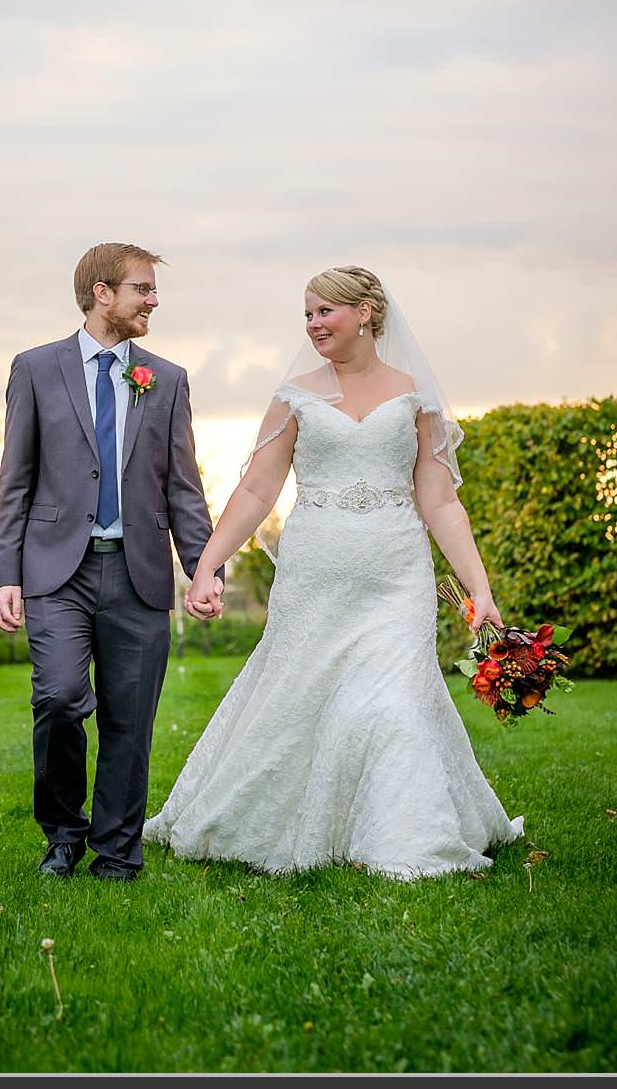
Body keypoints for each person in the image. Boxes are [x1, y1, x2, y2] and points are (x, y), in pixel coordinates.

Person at [147, 265, 522, 880]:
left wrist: (478, 588)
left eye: (325, 312)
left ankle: (407, 838)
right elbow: (257, 489)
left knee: (394, 701)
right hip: (315, 571)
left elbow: (440, 500)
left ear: (367, 312)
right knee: (299, 694)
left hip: (396, 575)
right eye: (308, 315)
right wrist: (208, 565)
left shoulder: (414, 397)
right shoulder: (295, 397)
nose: (314, 324)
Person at [0, 242, 214, 881]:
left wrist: (204, 569)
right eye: (143, 288)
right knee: (59, 697)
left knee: (130, 716)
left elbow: (183, 486)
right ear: (102, 294)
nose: (153, 300)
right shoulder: (35, 368)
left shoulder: (167, 378)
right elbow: (16, 478)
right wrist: (8, 573)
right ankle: (63, 832)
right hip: (57, 571)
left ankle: (117, 850)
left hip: (139, 570)